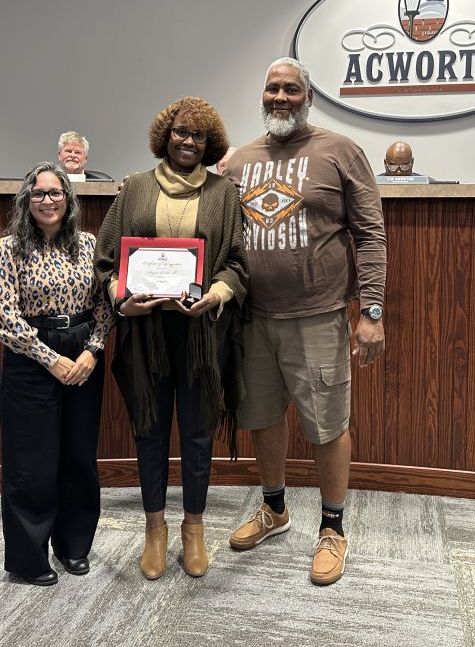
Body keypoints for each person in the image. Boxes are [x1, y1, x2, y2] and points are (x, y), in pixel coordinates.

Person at [221, 57, 386, 586]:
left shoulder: (339, 151)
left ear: (308, 97)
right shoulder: (238, 160)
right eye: (272, 89)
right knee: (262, 416)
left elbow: (371, 235)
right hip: (252, 318)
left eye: (291, 89)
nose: (280, 98)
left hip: (318, 315)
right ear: (262, 95)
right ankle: (274, 509)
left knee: (327, 425)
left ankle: (333, 528)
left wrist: (373, 311)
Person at [94, 97, 248, 581]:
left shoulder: (224, 193)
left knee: (199, 431)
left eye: (199, 136)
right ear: (165, 136)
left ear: (210, 144)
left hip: (202, 332)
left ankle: (194, 528)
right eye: (181, 132)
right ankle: (155, 529)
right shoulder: (135, 188)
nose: (188, 142)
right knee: (150, 430)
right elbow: (106, 261)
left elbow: (238, 264)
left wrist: (217, 294)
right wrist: (123, 300)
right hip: (146, 332)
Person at [0, 161, 113, 586]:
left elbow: (102, 306)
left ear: (69, 199)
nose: (47, 201)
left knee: (78, 458)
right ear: (27, 200)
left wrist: (93, 352)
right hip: (31, 362)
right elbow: (3, 319)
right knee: (32, 464)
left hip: (81, 360)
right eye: (39, 193)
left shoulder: (89, 245)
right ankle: (28, 560)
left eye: (55, 193)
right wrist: (50, 358)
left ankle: (74, 547)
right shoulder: (8, 249)